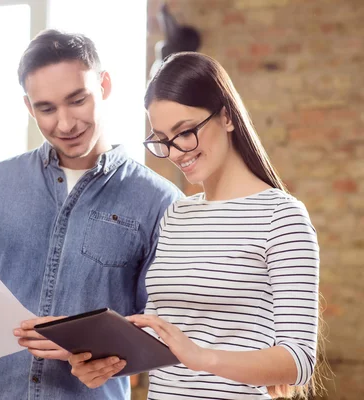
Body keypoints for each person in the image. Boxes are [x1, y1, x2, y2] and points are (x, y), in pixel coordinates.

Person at [0, 30, 183, 399]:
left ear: (105, 85)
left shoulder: (160, 202)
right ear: (29, 107)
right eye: (46, 108)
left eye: (77, 100)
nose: (64, 124)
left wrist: (89, 346)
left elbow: (164, 332)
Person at [69, 52, 323, 400]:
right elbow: (161, 336)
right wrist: (106, 360)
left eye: (185, 132)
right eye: (161, 139)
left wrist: (202, 358)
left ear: (227, 117)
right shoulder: (176, 216)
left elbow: (299, 360)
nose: (174, 152)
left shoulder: (281, 217)